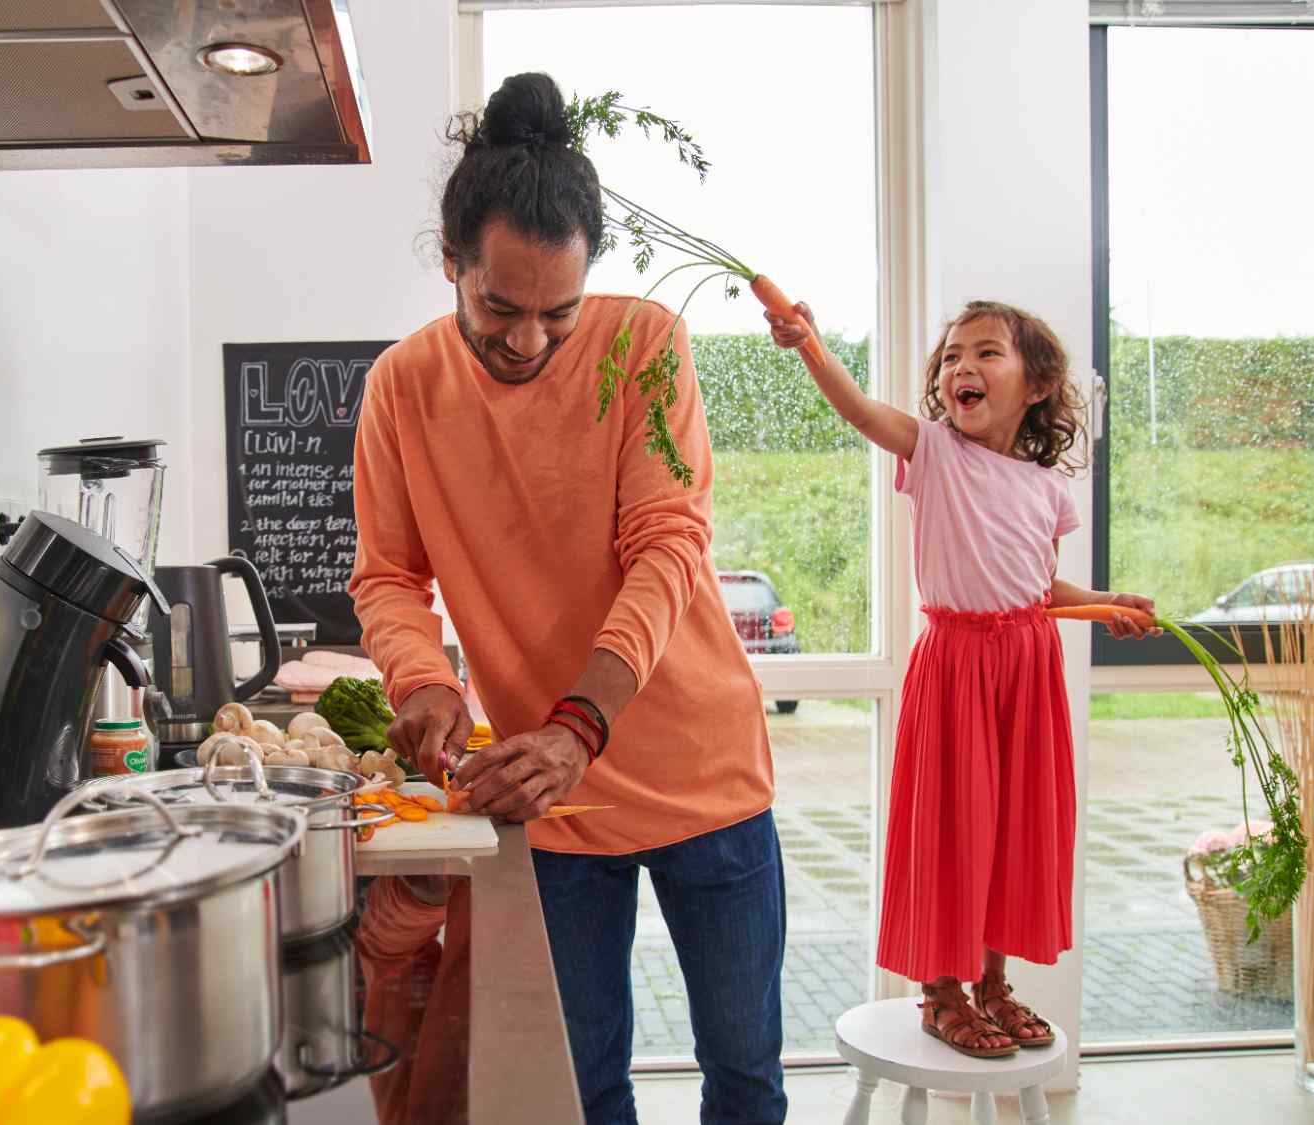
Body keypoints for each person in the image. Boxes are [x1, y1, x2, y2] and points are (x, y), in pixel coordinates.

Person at [348, 72, 787, 1124]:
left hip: (702, 779)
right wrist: (422, 679)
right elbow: (388, 577)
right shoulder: (402, 387)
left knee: (742, 1077)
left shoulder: (642, 346)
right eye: (498, 306)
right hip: (546, 801)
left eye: (558, 311)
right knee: (579, 1089)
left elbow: (667, 542)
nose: (530, 341)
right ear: (452, 262)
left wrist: (579, 721)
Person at [767, 297, 1158, 1058]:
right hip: (957, 668)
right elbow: (858, 408)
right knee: (956, 827)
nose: (961, 368)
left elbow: (1038, 590)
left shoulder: (1046, 487)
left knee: (1011, 827)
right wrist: (810, 344)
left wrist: (1107, 604)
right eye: (950, 357)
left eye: (985, 353)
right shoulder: (936, 451)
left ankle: (993, 982)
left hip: (1027, 666)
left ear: (1037, 383)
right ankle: (940, 990)